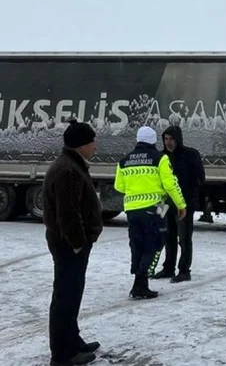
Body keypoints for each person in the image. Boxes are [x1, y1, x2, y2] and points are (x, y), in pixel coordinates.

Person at [43, 119, 103, 366]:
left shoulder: (72, 165)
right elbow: (68, 214)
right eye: (91, 142)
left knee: (71, 295)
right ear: (80, 145)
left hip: (69, 245)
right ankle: (63, 354)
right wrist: (78, 243)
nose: (95, 146)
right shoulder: (68, 170)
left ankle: (72, 340)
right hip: (69, 246)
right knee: (66, 297)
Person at [114, 126, 187, 300]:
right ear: (154, 140)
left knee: (137, 244)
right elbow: (170, 184)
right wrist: (181, 204)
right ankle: (141, 282)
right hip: (154, 209)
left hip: (132, 210)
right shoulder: (160, 159)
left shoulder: (124, 161)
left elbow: (119, 186)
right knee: (154, 244)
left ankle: (139, 283)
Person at [152, 125, 205, 283]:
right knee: (168, 236)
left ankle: (184, 270)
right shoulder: (161, 157)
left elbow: (199, 178)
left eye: (172, 139)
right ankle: (168, 267)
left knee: (184, 238)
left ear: (178, 139)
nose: (169, 142)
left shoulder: (190, 155)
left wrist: (189, 198)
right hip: (166, 203)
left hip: (184, 203)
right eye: (166, 139)